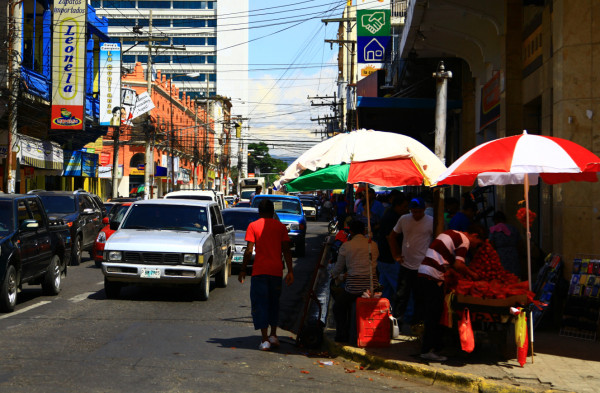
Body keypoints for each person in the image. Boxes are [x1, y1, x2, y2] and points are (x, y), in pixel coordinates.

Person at [415, 225, 483, 362]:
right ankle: (428, 350)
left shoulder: (451, 233)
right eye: (478, 244)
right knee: (434, 315)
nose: (475, 248)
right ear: (474, 236)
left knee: (433, 313)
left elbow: (450, 263)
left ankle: (433, 347)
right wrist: (472, 274)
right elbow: (459, 265)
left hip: (424, 272)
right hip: (432, 276)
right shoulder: (464, 240)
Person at [238, 199, 294, 351]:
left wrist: (243, 269)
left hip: (260, 272)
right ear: (272, 211)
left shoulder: (253, 226)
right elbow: (287, 250)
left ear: (259, 211)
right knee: (274, 303)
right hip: (276, 271)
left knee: (261, 304)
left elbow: (249, 251)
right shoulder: (281, 227)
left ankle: (264, 339)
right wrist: (290, 271)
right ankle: (274, 335)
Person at [331, 219, 379, 343]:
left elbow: (337, 269)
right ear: (363, 231)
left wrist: (334, 275)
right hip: (371, 287)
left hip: (353, 289)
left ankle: (342, 334)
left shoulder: (347, 245)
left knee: (338, 307)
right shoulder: (373, 245)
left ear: (350, 231)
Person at [389, 198, 433, 324]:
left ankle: (417, 323)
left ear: (424, 210)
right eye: (414, 212)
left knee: (419, 296)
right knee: (401, 295)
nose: (416, 215)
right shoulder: (404, 219)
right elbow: (392, 236)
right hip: (406, 264)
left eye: (419, 212)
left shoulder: (431, 221)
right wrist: (396, 255)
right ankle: (397, 322)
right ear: (410, 210)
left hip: (423, 267)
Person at [375, 194, 409, 301]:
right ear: (397, 206)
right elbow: (390, 238)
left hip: (384, 259)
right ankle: (406, 315)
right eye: (404, 207)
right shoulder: (392, 217)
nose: (406, 209)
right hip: (389, 259)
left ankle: (384, 312)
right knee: (399, 288)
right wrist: (396, 256)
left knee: (385, 290)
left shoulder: (391, 215)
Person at [489, 211, 521, 277]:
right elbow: (520, 243)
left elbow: (491, 244)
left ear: (496, 220)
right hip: (513, 254)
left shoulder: (494, 229)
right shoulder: (513, 228)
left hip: (500, 255)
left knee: (503, 276)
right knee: (514, 275)